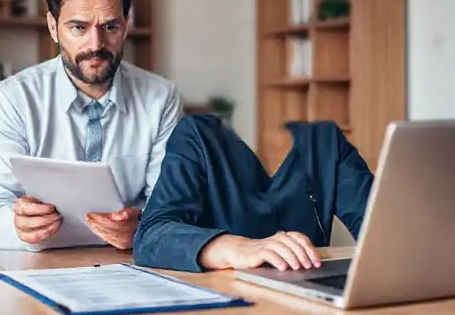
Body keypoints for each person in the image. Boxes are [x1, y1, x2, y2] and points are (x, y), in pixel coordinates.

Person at [0, 0, 183, 252]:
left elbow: (170, 208)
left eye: (110, 27)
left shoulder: (161, 98)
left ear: (126, 24)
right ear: (53, 27)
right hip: (35, 271)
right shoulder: (13, 99)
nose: (96, 45)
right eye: (79, 28)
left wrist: (142, 229)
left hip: (129, 268)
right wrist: (18, 228)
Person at [132, 114, 374, 272]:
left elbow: (382, 233)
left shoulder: (326, 142)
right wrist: (233, 247)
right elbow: (151, 236)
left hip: (309, 305)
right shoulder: (196, 136)